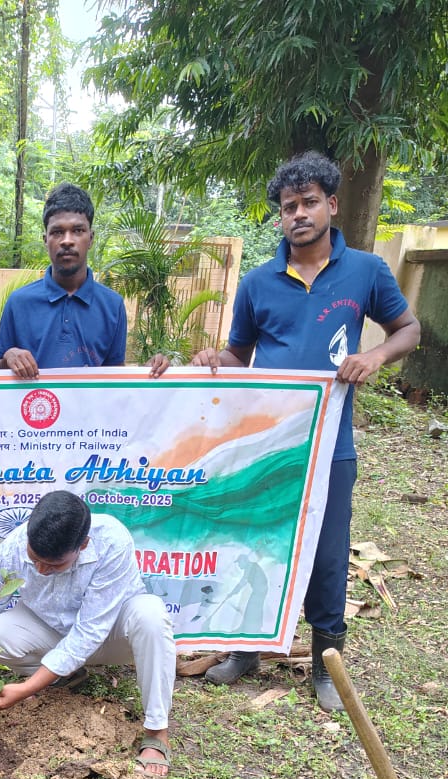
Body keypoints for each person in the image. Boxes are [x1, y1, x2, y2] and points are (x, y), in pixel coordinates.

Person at [151, 152, 420, 711]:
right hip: (269, 445)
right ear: (279, 216)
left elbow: (408, 328)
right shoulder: (257, 283)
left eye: (309, 202)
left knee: (326, 548)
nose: (298, 214)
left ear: (332, 204)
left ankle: (326, 661)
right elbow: (238, 353)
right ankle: (248, 648)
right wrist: (214, 360)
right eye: (288, 206)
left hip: (330, 440)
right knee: (260, 539)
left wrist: (374, 356)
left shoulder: (366, 272)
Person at [0, 490, 175, 777]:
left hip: (111, 635)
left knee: (151, 616)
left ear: (83, 544)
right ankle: (65, 675)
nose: (40, 569)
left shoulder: (112, 541)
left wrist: (25, 689)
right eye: (34, 559)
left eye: (54, 564)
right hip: (53, 630)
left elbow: (88, 631)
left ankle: (157, 731)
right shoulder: (14, 547)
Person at [0, 183, 127, 377]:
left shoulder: (113, 305)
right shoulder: (19, 302)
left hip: (89, 408)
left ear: (91, 238)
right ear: (45, 239)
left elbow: (115, 377)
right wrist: (8, 357)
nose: (67, 240)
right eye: (57, 232)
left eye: (78, 230)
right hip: (32, 407)